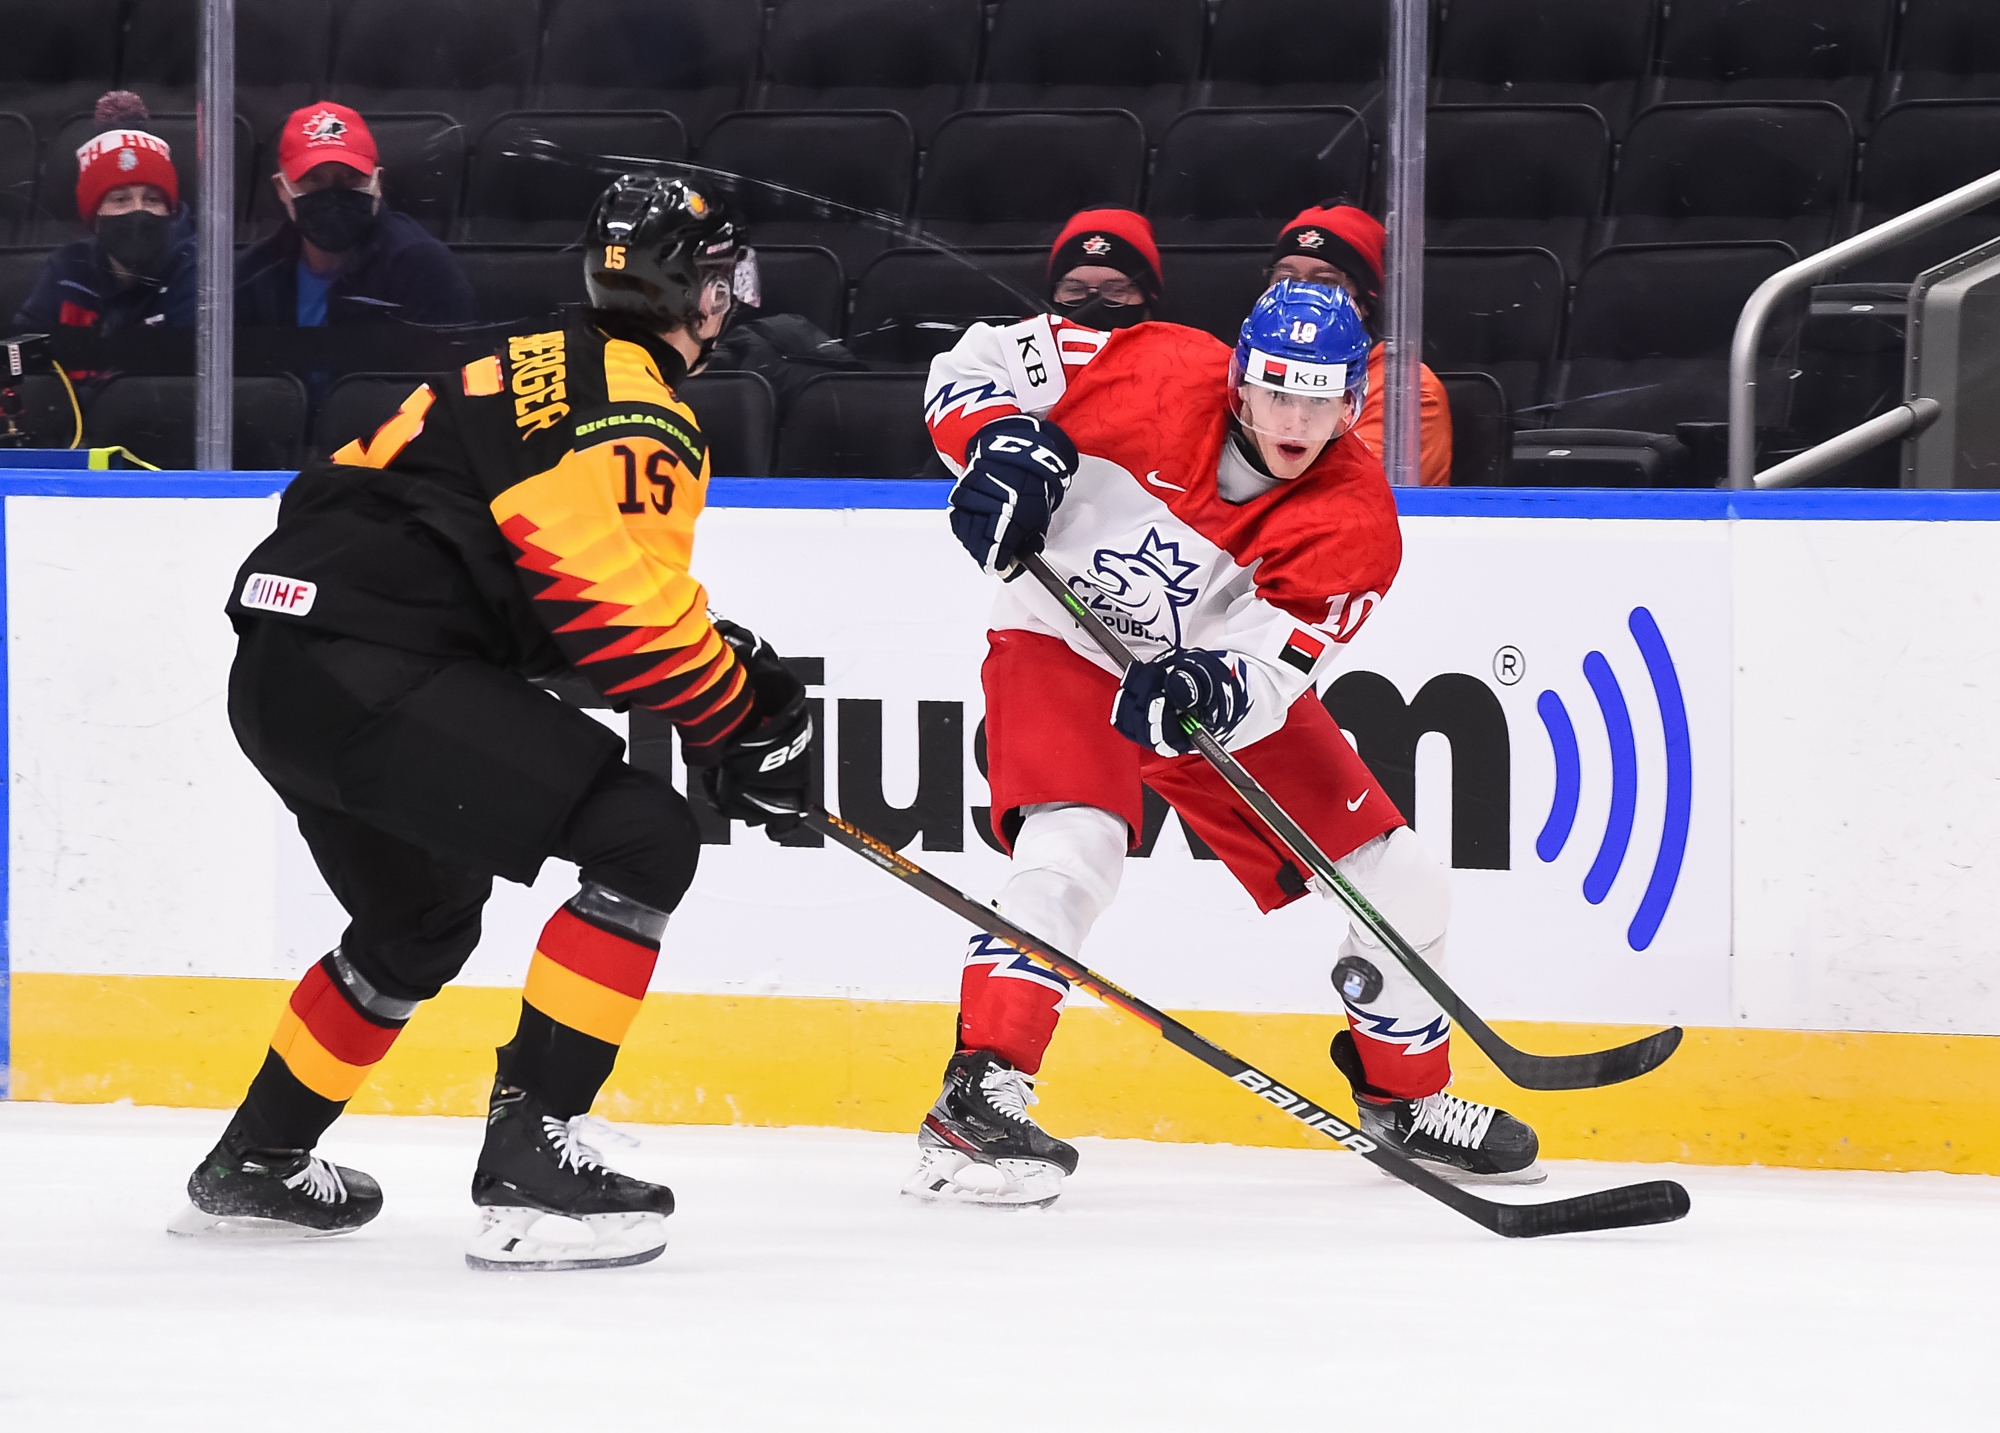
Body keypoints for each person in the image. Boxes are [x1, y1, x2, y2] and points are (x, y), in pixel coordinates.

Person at [171, 176, 813, 1271]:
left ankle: (256, 1161)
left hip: (279, 667)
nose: (729, 301)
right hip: (374, 667)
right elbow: (621, 625)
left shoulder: (517, 360)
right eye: (720, 280)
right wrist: (741, 717)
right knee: (645, 836)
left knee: (418, 920)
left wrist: (721, 685)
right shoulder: (638, 410)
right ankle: (532, 1158)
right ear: (692, 292)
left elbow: (508, 567)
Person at [910, 279, 1540, 1207]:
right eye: (1278, 392)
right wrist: (996, 438)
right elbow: (975, 363)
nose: (1296, 420)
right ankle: (978, 1096)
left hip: (1195, 681)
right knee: (1074, 845)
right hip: (1059, 638)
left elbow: (1275, 667)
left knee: (1401, 877)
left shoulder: (1356, 522)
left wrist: (1217, 683)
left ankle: (1405, 1100)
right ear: (1241, 379)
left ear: (1352, 404)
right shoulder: (1148, 364)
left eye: (1320, 399)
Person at [235, 103, 473, 329]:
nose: (333, 194)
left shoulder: (422, 269)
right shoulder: (252, 275)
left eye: (351, 177)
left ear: (377, 183)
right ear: (282, 188)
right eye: (313, 179)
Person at [1266, 205, 1453, 487]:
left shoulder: (1407, 391)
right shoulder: (1242, 370)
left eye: (1325, 283)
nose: (1300, 294)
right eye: (1285, 280)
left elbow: (1351, 491)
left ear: (1365, 301)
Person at [14, 92, 198, 345]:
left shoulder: (194, 270)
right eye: (120, 200)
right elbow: (20, 351)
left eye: (152, 200)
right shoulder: (67, 272)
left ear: (169, 211)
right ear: (96, 218)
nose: (138, 211)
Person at [1046, 208, 1161, 331]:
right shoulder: (1032, 341)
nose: (1091, 307)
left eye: (1116, 290)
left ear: (1148, 298)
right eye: (1074, 289)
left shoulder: (1175, 343)